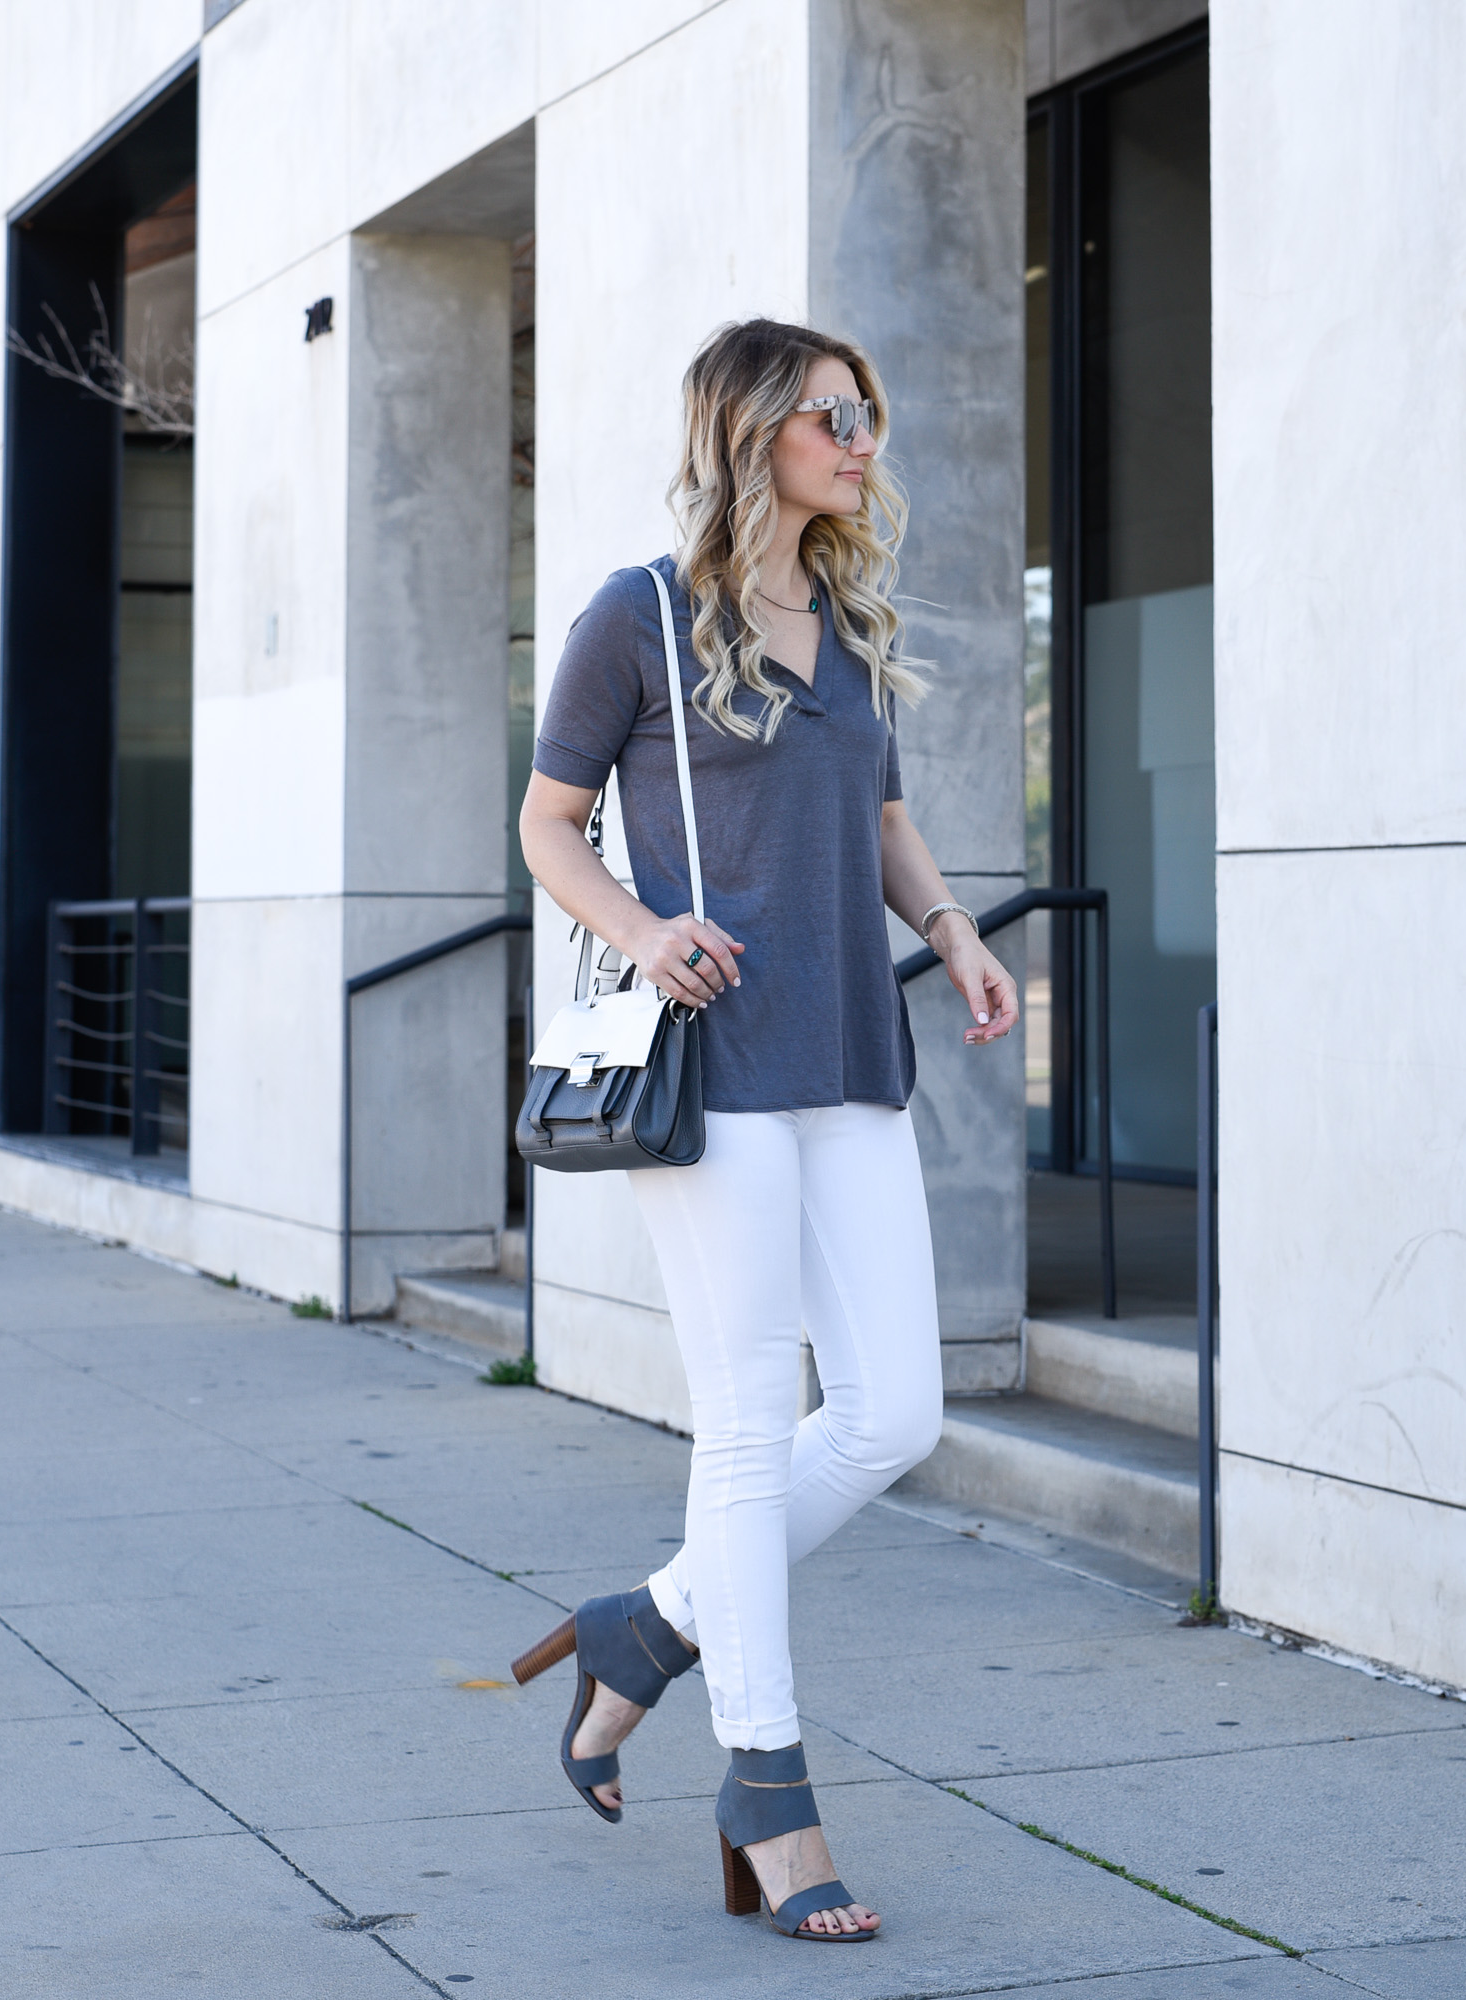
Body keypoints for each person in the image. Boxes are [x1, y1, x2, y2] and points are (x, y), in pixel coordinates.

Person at [514, 317, 1018, 1941]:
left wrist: (949, 928)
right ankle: (768, 1788)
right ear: (752, 430)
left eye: (870, 411)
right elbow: (545, 821)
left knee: (894, 1416)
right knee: (746, 1419)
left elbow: (873, 813)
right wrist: (650, 927)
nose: (863, 436)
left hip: (850, 1048)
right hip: (711, 1058)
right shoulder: (639, 616)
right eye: (833, 413)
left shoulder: (850, 622)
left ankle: (642, 1634)